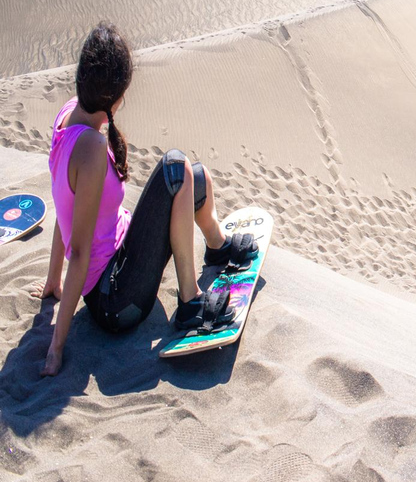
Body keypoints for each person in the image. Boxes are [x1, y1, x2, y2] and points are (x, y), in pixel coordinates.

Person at [31, 22, 257, 376]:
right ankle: (189, 302)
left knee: (194, 176)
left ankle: (217, 244)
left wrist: (52, 283)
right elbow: (79, 249)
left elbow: (65, 209)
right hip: (115, 301)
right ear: (117, 96)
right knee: (175, 167)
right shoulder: (90, 148)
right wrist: (55, 348)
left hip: (123, 262)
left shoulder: (68, 115)